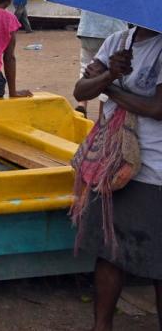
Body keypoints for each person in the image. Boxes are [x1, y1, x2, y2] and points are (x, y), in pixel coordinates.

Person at [73, 24, 162, 331]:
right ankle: (101, 327)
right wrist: (109, 75)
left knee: (157, 261)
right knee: (109, 253)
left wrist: (109, 87)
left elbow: (157, 107)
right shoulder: (117, 41)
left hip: (152, 167)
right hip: (111, 166)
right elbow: (80, 91)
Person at [76, 10, 128, 116]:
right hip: (113, 31)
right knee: (109, 70)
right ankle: (102, 115)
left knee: (86, 66)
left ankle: (82, 105)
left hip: (87, 30)